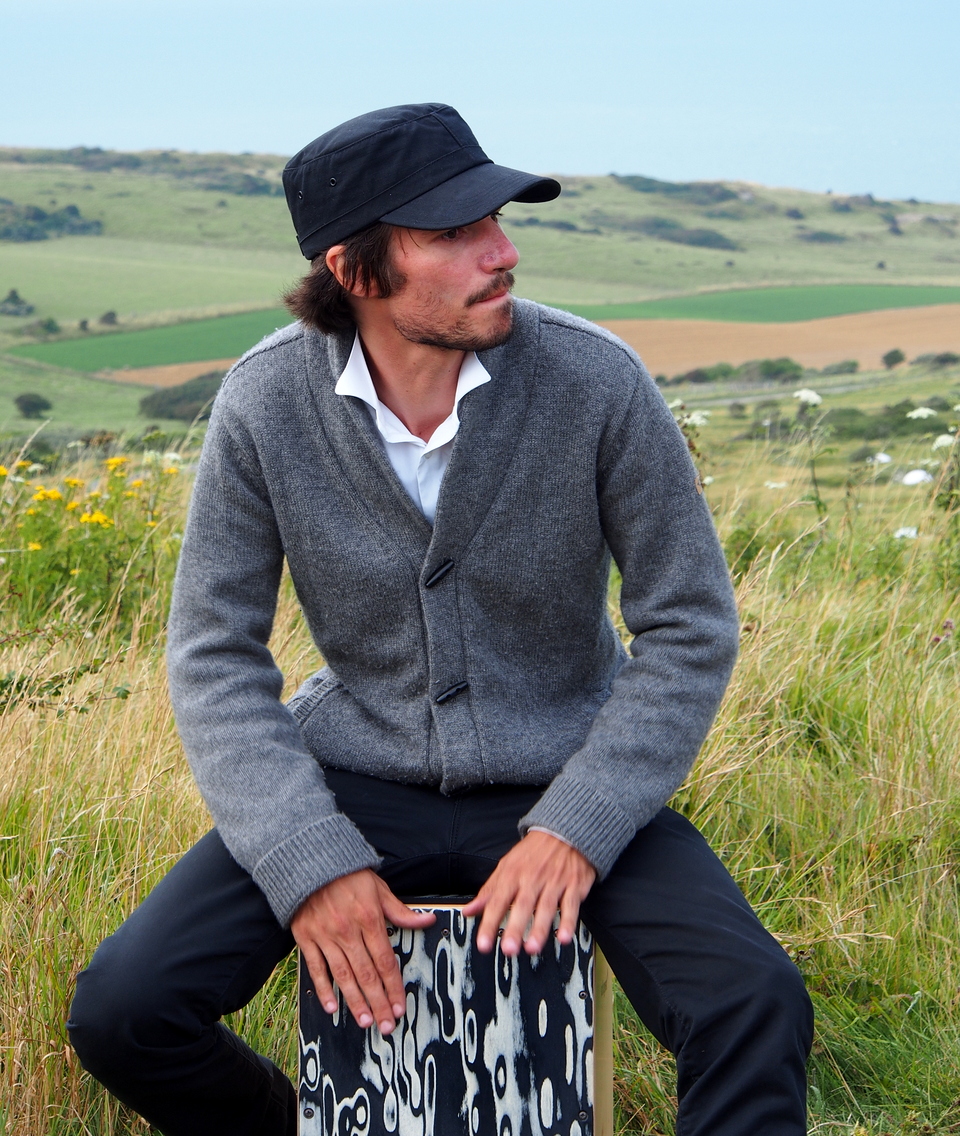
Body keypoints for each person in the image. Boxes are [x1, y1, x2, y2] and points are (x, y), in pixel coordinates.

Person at [68, 103, 812, 1136]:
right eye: (457, 232)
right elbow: (212, 656)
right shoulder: (263, 401)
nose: (502, 252)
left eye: (496, 221)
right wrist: (308, 858)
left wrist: (577, 828)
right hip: (356, 775)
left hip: (565, 769)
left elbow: (689, 625)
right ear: (354, 268)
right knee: (124, 1011)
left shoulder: (597, 380)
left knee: (753, 1001)